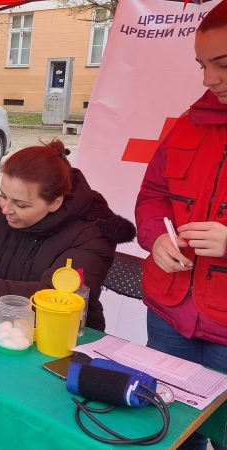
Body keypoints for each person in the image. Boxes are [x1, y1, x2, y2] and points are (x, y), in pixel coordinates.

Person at [0, 141, 136, 331]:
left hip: (64, 337)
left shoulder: (93, 234)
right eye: (2, 196)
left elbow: (52, 299)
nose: (6, 209)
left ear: (55, 202)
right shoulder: (4, 211)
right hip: (6, 325)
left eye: (21, 204)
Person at [135, 3, 227, 448]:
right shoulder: (190, 122)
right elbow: (153, 194)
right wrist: (155, 240)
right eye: (203, 65)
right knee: (170, 432)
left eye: (223, 64)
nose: (209, 79)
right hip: (170, 312)